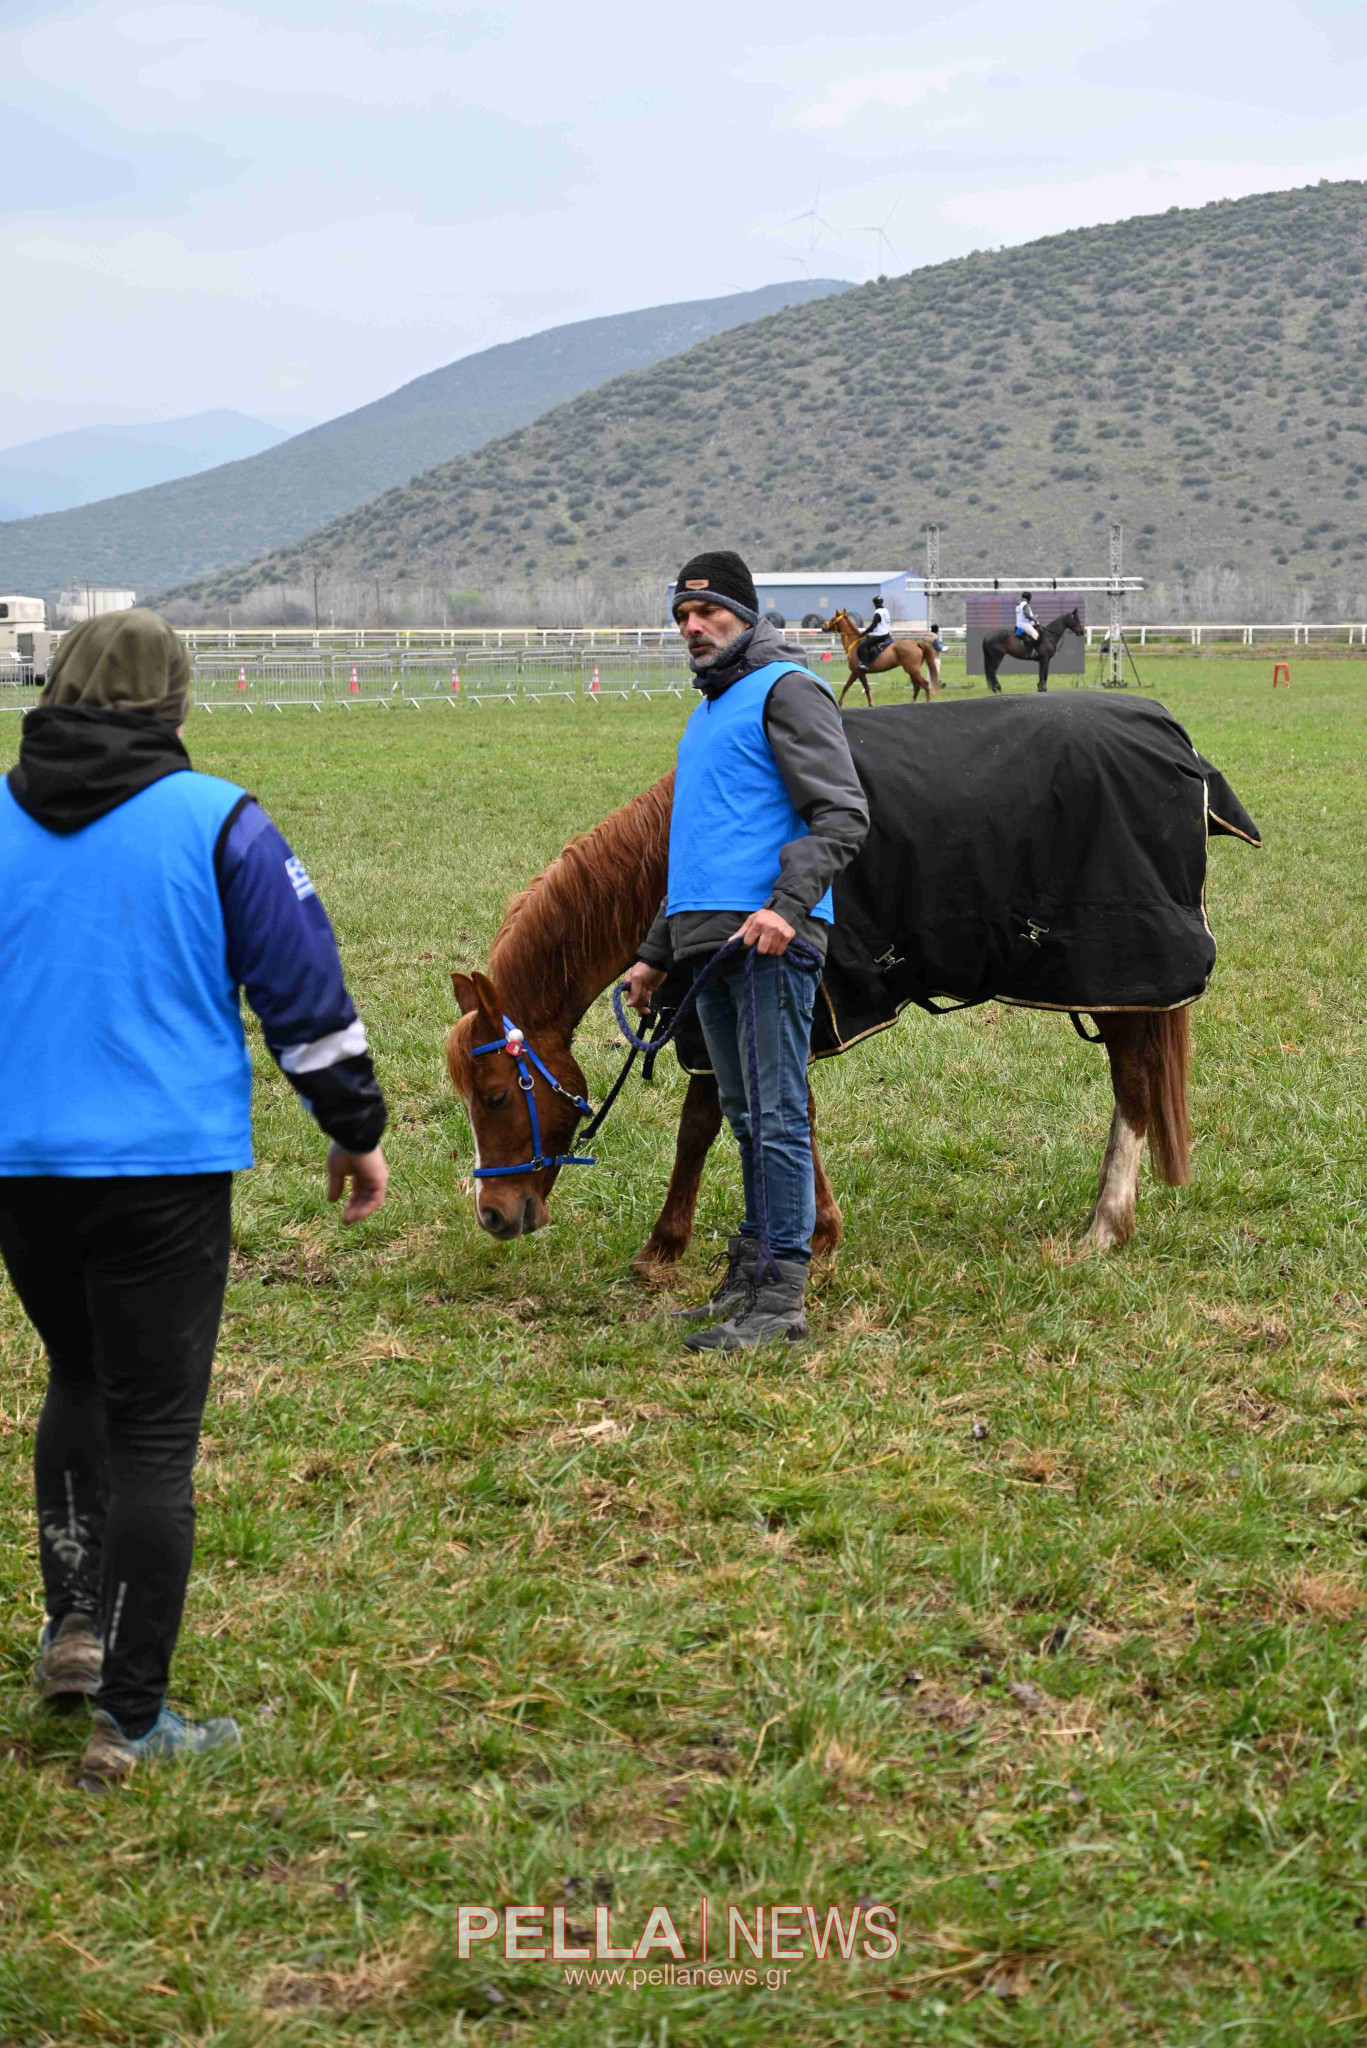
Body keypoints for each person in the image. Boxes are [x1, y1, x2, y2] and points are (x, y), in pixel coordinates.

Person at [0, 610, 389, 1789]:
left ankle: (74, 1632)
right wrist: (355, 1128)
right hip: (163, 1168)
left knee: (76, 1374)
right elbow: (302, 991)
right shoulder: (217, 816)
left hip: (22, 1165)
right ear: (176, 701)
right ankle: (134, 1713)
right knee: (156, 1434)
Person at [623, 551, 869, 1351]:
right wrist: (655, 952)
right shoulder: (707, 711)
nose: (692, 628)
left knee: (776, 1114)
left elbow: (841, 816)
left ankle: (780, 1300)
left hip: (765, 940)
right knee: (744, 1114)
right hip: (706, 946)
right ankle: (748, 1275)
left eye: (707, 614)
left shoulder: (786, 690)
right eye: (681, 617)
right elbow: (698, 848)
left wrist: (786, 909)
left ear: (744, 614)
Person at [856, 593, 894, 671]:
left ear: (875, 604)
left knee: (863, 644)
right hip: (887, 635)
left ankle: (864, 664)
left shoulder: (878, 613)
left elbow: (873, 626)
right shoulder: (886, 611)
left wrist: (864, 633)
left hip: (880, 636)